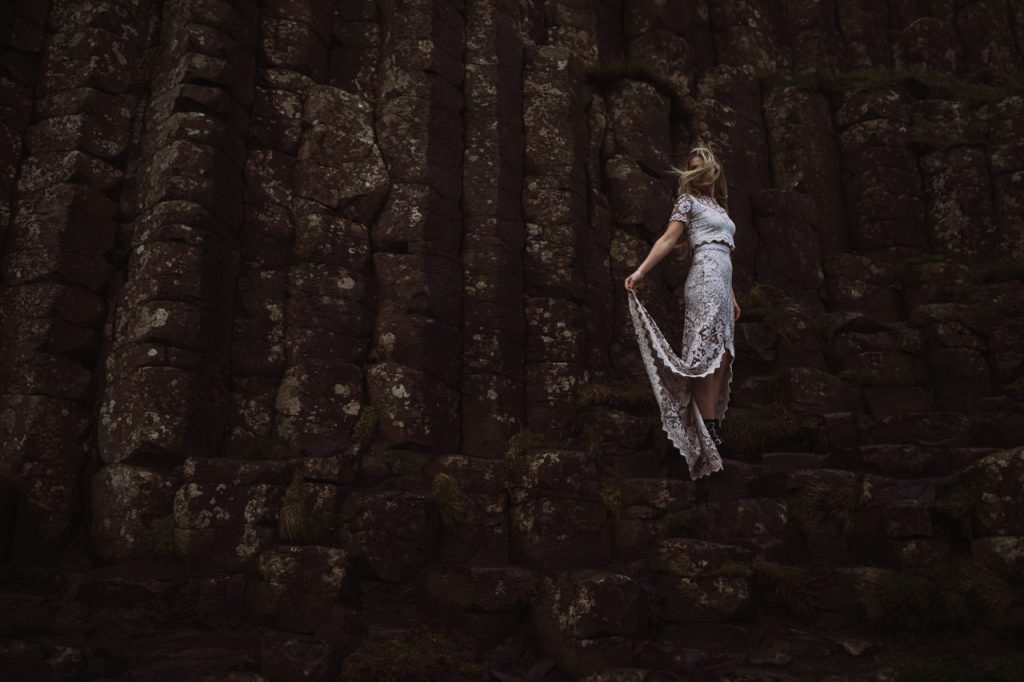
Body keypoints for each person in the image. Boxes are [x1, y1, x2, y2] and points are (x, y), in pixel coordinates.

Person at [623, 145, 740, 480]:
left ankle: (711, 426)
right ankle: (711, 431)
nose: (699, 173)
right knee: (706, 356)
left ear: (715, 170)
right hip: (703, 279)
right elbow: (667, 240)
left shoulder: (719, 206)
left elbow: (724, 253)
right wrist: (641, 272)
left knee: (723, 357)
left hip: (721, 281)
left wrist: (731, 296)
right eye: (693, 168)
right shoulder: (687, 202)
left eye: (703, 167)